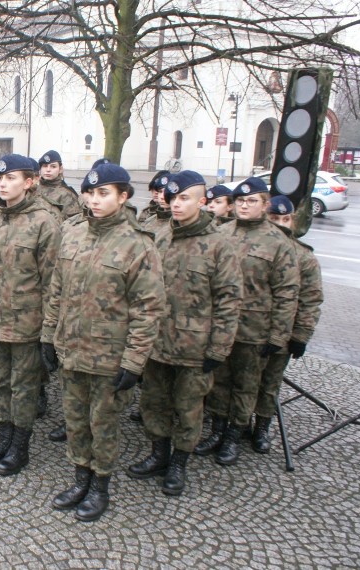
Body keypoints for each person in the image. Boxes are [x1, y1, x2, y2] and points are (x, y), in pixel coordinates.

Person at [42, 162, 165, 522]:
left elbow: (148, 310)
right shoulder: (74, 235)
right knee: (76, 421)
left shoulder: (138, 246)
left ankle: (101, 488)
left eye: (103, 193)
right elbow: (57, 291)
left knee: (104, 425)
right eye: (91, 193)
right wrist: (49, 337)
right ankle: (81, 478)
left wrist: (133, 362)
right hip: (72, 350)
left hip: (110, 358)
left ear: (123, 197)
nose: (94, 200)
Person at [127, 170, 242, 496]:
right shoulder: (158, 237)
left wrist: (218, 349)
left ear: (202, 202)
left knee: (189, 409)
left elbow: (229, 302)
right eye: (172, 197)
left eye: (184, 198)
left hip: (195, 348)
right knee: (154, 404)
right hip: (156, 343)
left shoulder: (219, 246)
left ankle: (179, 464)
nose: (175, 204)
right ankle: (159, 454)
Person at [195, 177, 299, 466]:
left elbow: (287, 293)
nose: (244, 205)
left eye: (251, 201)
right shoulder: (221, 233)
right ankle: (216, 431)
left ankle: (233, 436)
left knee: (246, 386)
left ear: (265, 205)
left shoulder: (278, 242)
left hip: (254, 331)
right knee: (218, 382)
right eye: (240, 200)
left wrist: (279, 336)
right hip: (219, 327)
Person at [0, 154, 59, 475]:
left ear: (30, 182)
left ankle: (20, 446)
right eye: (1, 178)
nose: (4, 184)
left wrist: (49, 333)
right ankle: (3, 437)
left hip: (26, 324)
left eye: (11, 178)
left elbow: (53, 282)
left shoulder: (44, 223)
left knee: (23, 387)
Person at [251, 196, 323, 453]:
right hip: (252, 329)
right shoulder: (255, 248)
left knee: (269, 384)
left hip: (282, 332)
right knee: (242, 384)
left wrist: (301, 335)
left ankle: (261, 428)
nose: (281, 224)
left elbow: (310, 299)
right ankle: (233, 427)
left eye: (286, 219)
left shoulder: (303, 257)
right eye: (274, 218)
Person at [37, 150, 82, 221]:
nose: (48, 170)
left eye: (53, 166)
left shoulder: (67, 194)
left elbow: (74, 223)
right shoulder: (34, 189)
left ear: (60, 169)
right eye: (45, 166)